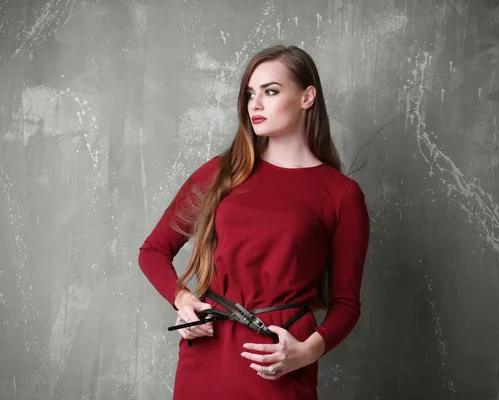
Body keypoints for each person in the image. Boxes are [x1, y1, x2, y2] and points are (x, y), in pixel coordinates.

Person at [138, 44, 370, 399]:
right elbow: (153, 250)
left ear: (307, 97)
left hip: (277, 359)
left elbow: (347, 305)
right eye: (250, 94)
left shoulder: (341, 194)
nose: (255, 105)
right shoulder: (220, 173)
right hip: (207, 352)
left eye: (271, 91)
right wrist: (183, 299)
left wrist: (308, 351)